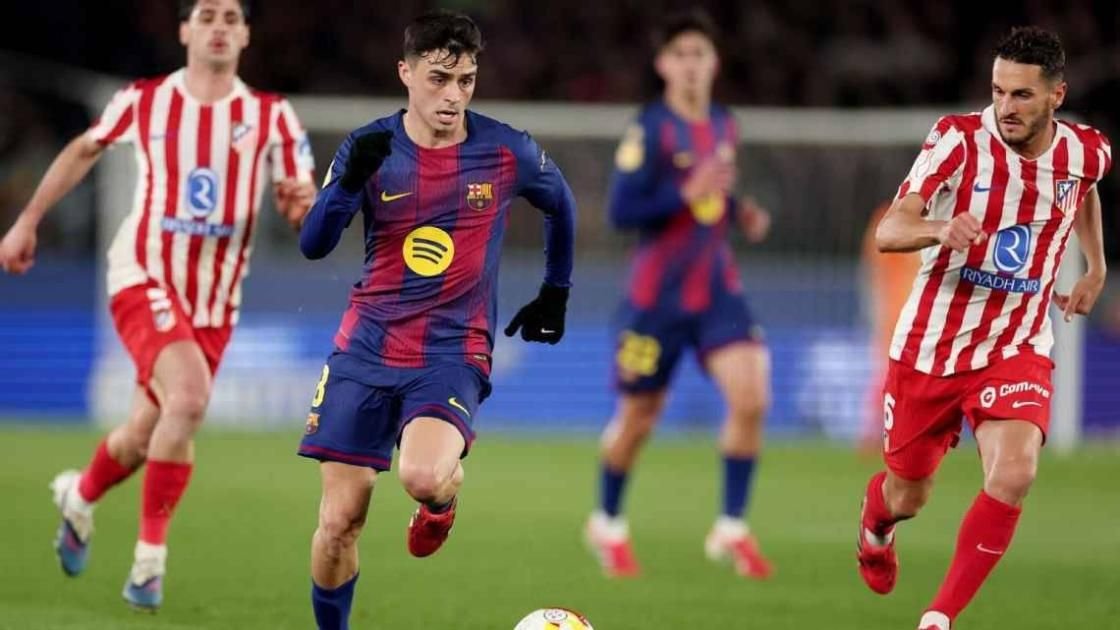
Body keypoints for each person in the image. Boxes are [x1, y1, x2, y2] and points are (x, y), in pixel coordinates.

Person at [0, 0, 316, 611]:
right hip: (142, 275)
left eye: (231, 18)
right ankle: (149, 565)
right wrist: (27, 221)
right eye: (207, 16)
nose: (219, 27)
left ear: (246, 34)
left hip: (215, 302)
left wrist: (302, 207)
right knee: (190, 399)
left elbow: (301, 202)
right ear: (184, 30)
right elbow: (83, 149)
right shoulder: (145, 100)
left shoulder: (272, 115)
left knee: (142, 436)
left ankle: (80, 497)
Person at [295, 10, 576, 629]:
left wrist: (555, 291)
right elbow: (314, 243)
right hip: (365, 348)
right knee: (338, 523)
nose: (453, 95)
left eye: (466, 80)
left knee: (422, 477)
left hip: (451, 352)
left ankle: (442, 503)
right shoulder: (368, 145)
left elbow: (561, 203)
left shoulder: (506, 149)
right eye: (439, 78)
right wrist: (347, 184)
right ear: (406, 73)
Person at [855, 27, 1111, 630]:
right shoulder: (958, 140)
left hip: (1016, 344)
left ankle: (939, 617)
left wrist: (1096, 266)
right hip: (932, 347)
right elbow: (890, 230)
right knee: (908, 494)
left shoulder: (1088, 150)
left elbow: (1084, 191)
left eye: (1021, 95)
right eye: (998, 92)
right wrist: (939, 230)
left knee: (1015, 472)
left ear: (1056, 95)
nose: (1005, 107)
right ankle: (876, 524)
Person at [584, 9, 773, 580]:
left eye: (700, 54)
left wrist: (740, 213)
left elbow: (715, 196)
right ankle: (607, 522)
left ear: (714, 63)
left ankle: (731, 527)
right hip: (656, 299)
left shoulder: (724, 123)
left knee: (752, 398)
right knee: (639, 418)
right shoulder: (650, 128)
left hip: (717, 289)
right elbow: (621, 212)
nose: (691, 64)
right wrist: (686, 194)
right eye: (680, 54)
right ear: (664, 64)